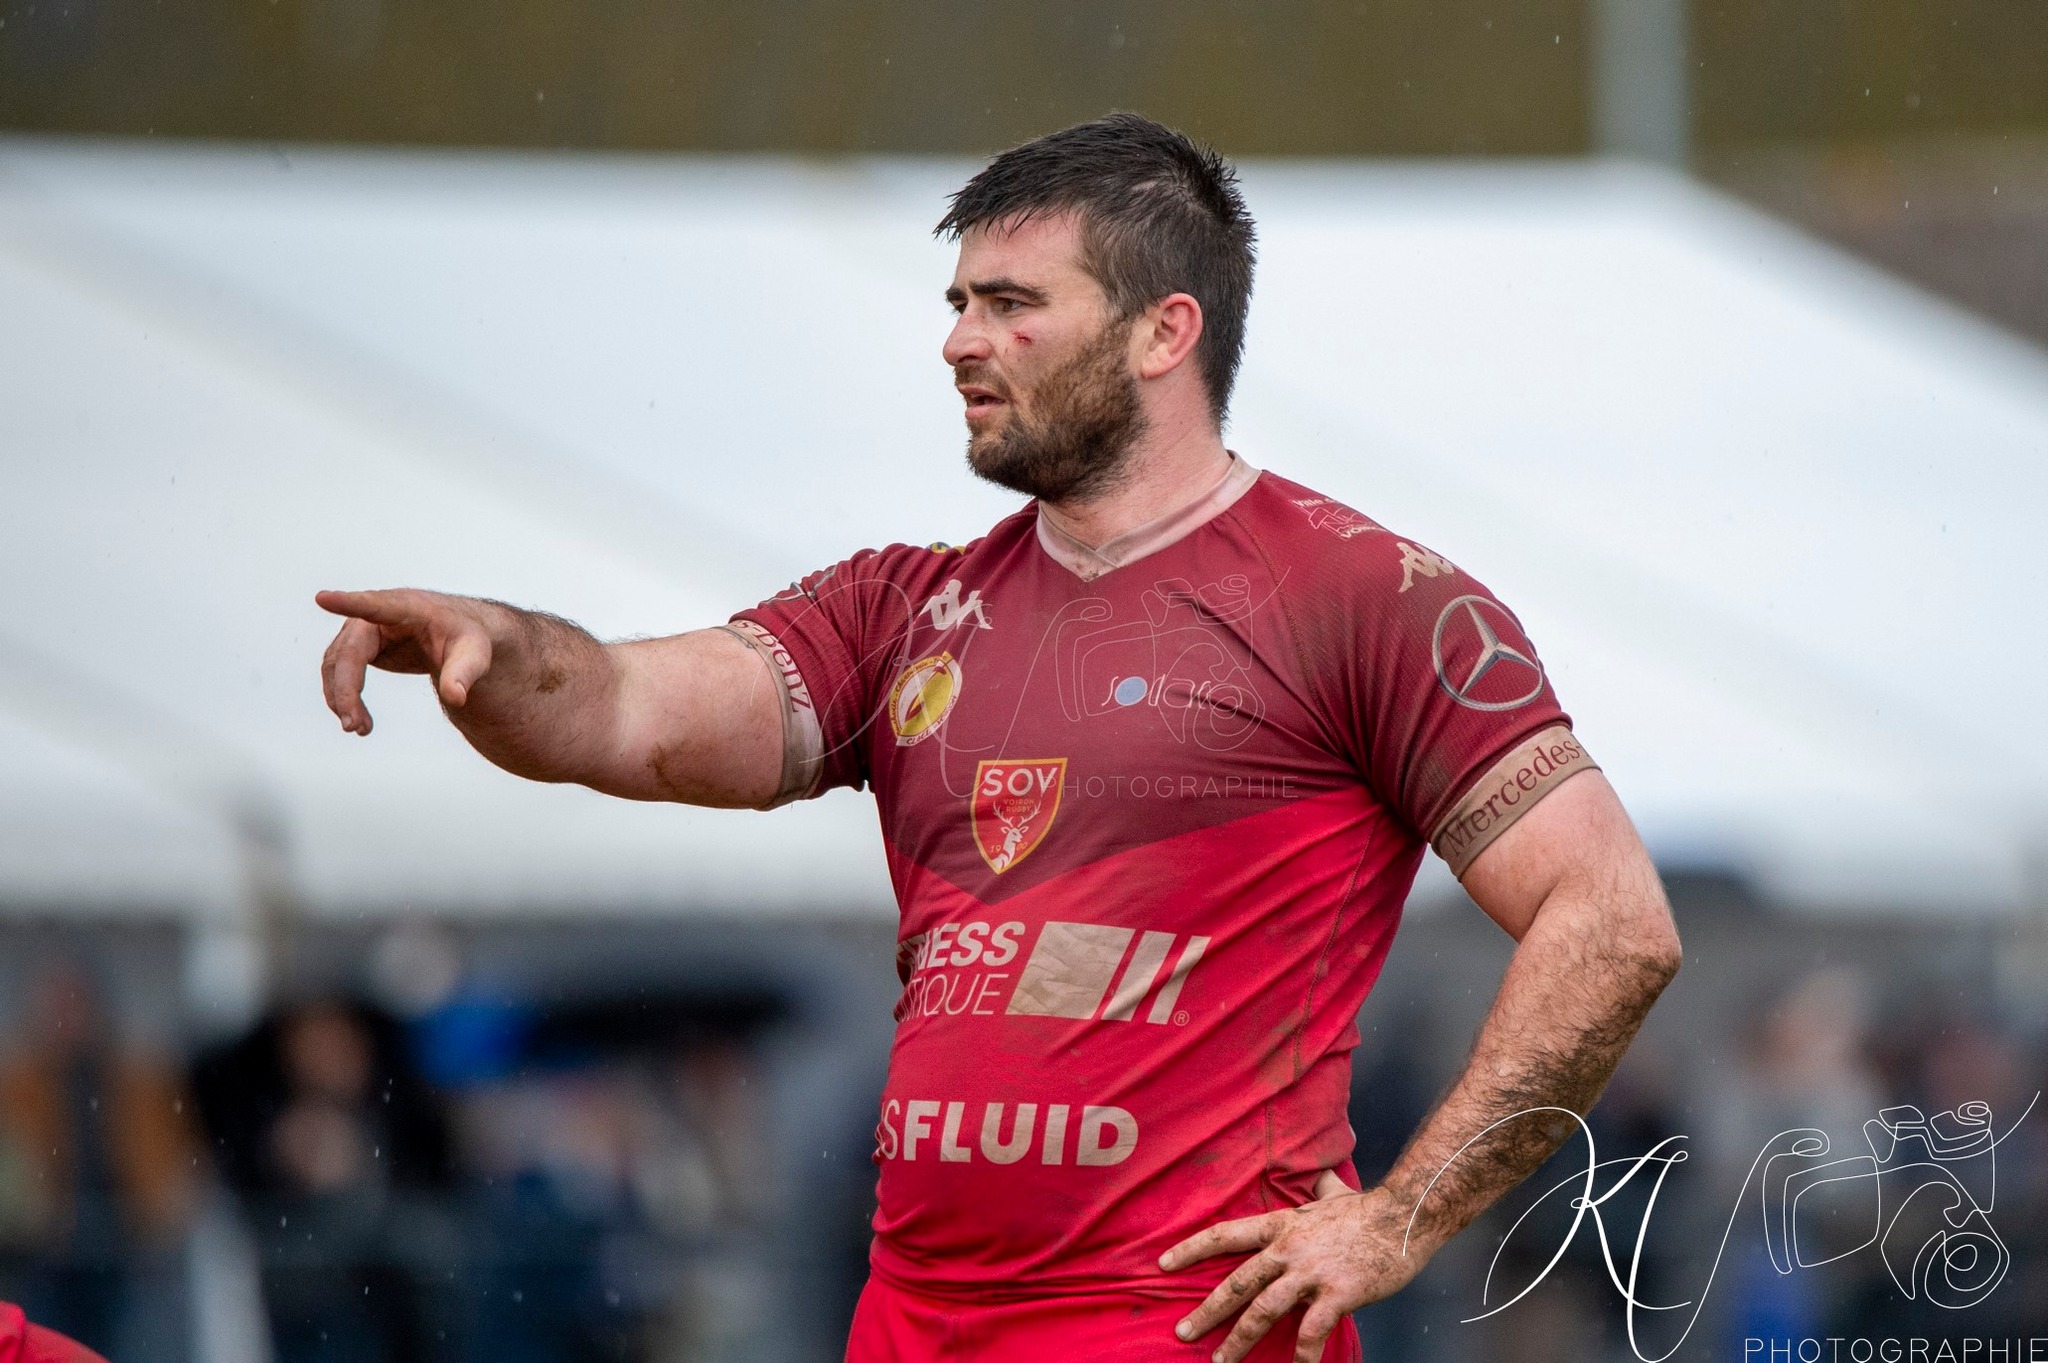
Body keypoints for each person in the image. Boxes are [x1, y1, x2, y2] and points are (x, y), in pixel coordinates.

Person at [316, 113, 1681, 1363]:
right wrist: (494, 645)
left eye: (1012, 305)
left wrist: (1397, 1221)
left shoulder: (1364, 598)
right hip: (910, 1323)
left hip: (1181, 1327)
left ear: (1163, 333)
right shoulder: (903, 609)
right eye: (960, 303)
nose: (960, 340)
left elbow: (1612, 923)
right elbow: (624, 707)